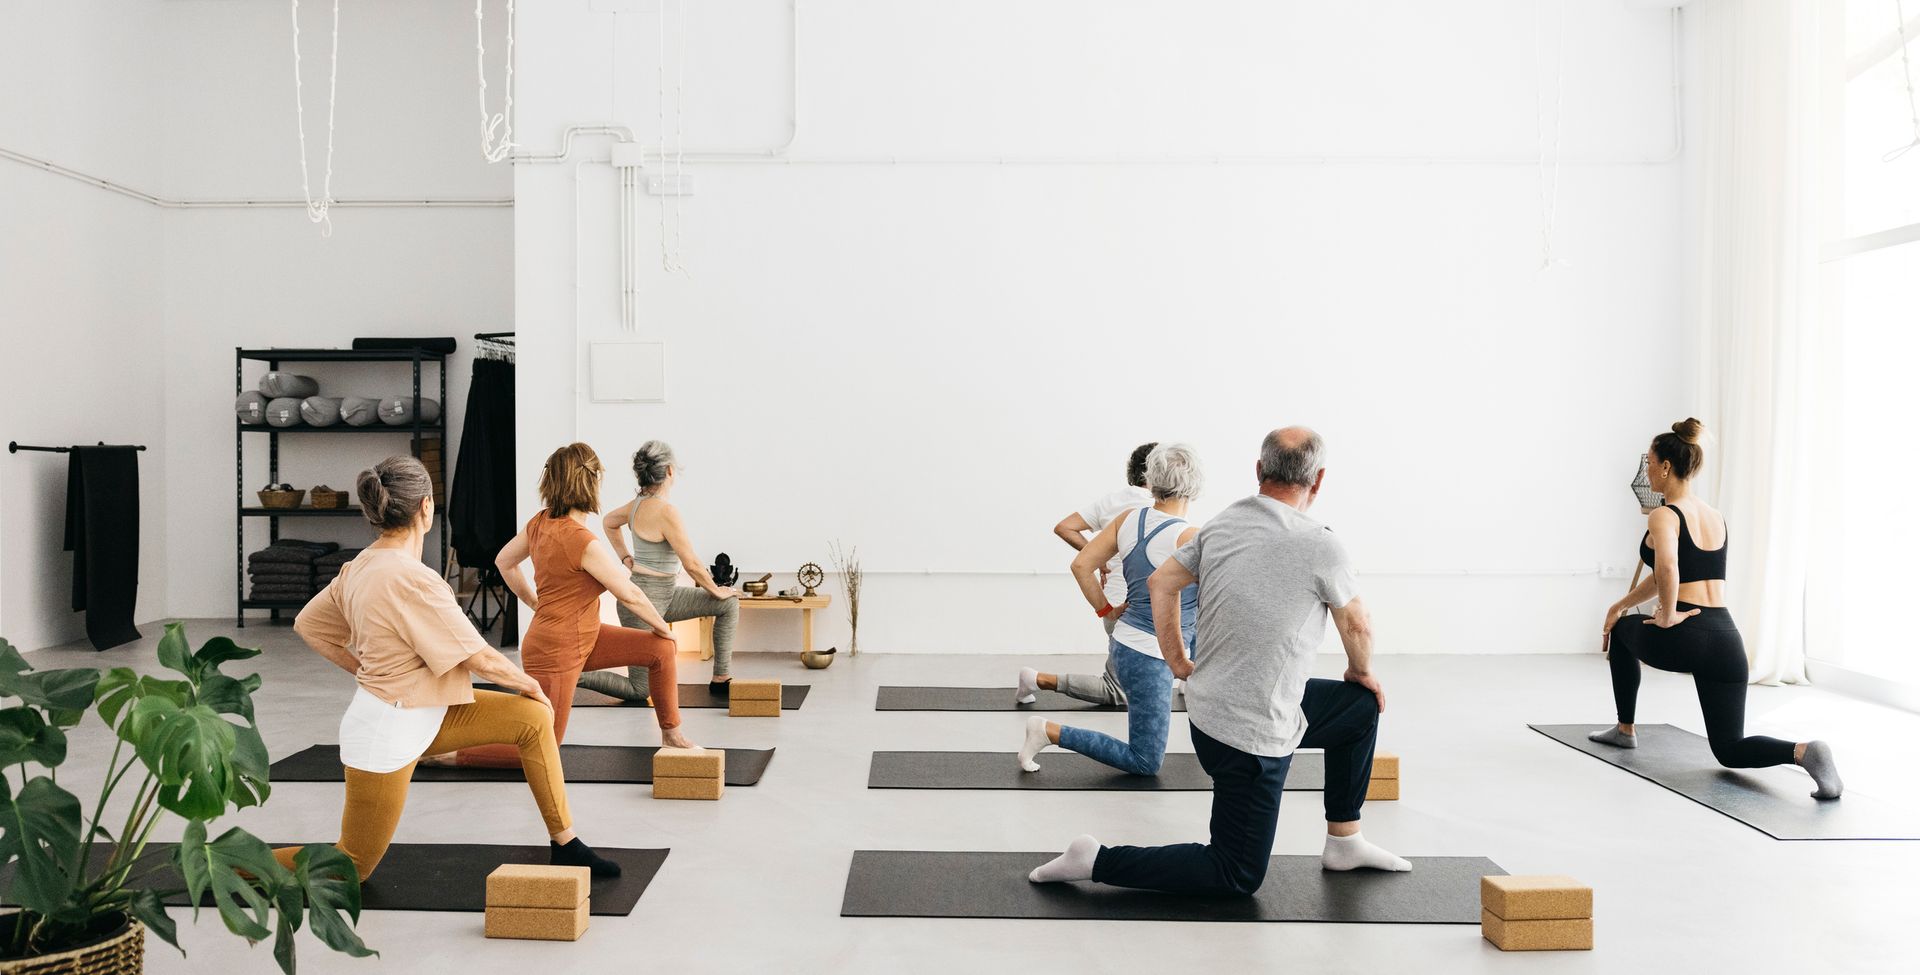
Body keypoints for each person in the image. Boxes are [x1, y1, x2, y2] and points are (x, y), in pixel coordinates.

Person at [1029, 427, 1410, 894]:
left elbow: (1161, 583)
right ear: (1319, 479)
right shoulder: (1321, 543)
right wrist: (1361, 671)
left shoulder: (1223, 524)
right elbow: (1358, 623)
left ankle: (1345, 841)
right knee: (1236, 875)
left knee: (1357, 710)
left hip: (1212, 707)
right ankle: (1098, 860)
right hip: (1246, 733)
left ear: (1258, 470)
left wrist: (1177, 661)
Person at [275, 456, 620, 881]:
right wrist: (530, 683)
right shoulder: (413, 578)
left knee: (533, 721)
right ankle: (230, 863)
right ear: (426, 508)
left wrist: (366, 669)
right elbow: (479, 656)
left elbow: (308, 625)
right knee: (352, 864)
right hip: (389, 730)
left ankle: (566, 843)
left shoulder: (359, 565)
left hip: (427, 710)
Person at [1591, 418, 1842, 798]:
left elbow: (1668, 568)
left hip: (1687, 632)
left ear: (1665, 467)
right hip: (1726, 638)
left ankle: (1625, 730)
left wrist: (1669, 613)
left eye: (1649, 463)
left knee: (1625, 632)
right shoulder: (1714, 515)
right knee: (1729, 748)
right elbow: (1675, 574)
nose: (1646, 471)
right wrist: (1622, 603)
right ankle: (1805, 752)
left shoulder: (1664, 514)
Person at [443, 443, 695, 769]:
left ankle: (672, 735)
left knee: (660, 651)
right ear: (588, 482)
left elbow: (504, 562)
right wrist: (665, 628)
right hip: (557, 650)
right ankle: (444, 755)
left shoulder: (540, 522)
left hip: (584, 636)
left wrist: (535, 603)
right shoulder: (580, 541)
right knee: (541, 747)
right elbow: (629, 594)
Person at [1018, 443, 1203, 775]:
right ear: (1195, 484)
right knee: (1145, 761)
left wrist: (1107, 611)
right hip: (1151, 657)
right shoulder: (1190, 537)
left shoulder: (1129, 519)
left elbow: (1081, 566)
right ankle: (1047, 731)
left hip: (1124, 645)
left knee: (1124, 707)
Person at [577, 441, 741, 701]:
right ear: (670, 471)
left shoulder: (637, 505)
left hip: (666, 595)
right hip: (641, 602)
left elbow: (609, 522)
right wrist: (716, 590)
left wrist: (625, 557)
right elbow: (692, 564)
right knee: (641, 690)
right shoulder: (666, 512)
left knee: (728, 605)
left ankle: (721, 678)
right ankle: (573, 674)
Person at [1023, 442, 1158, 706]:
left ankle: (1188, 680)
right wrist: (1097, 557)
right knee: (1117, 692)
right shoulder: (1159, 505)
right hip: (1132, 611)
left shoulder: (1113, 500)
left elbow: (1065, 527)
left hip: (1113, 605)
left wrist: (1100, 557)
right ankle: (1036, 679)